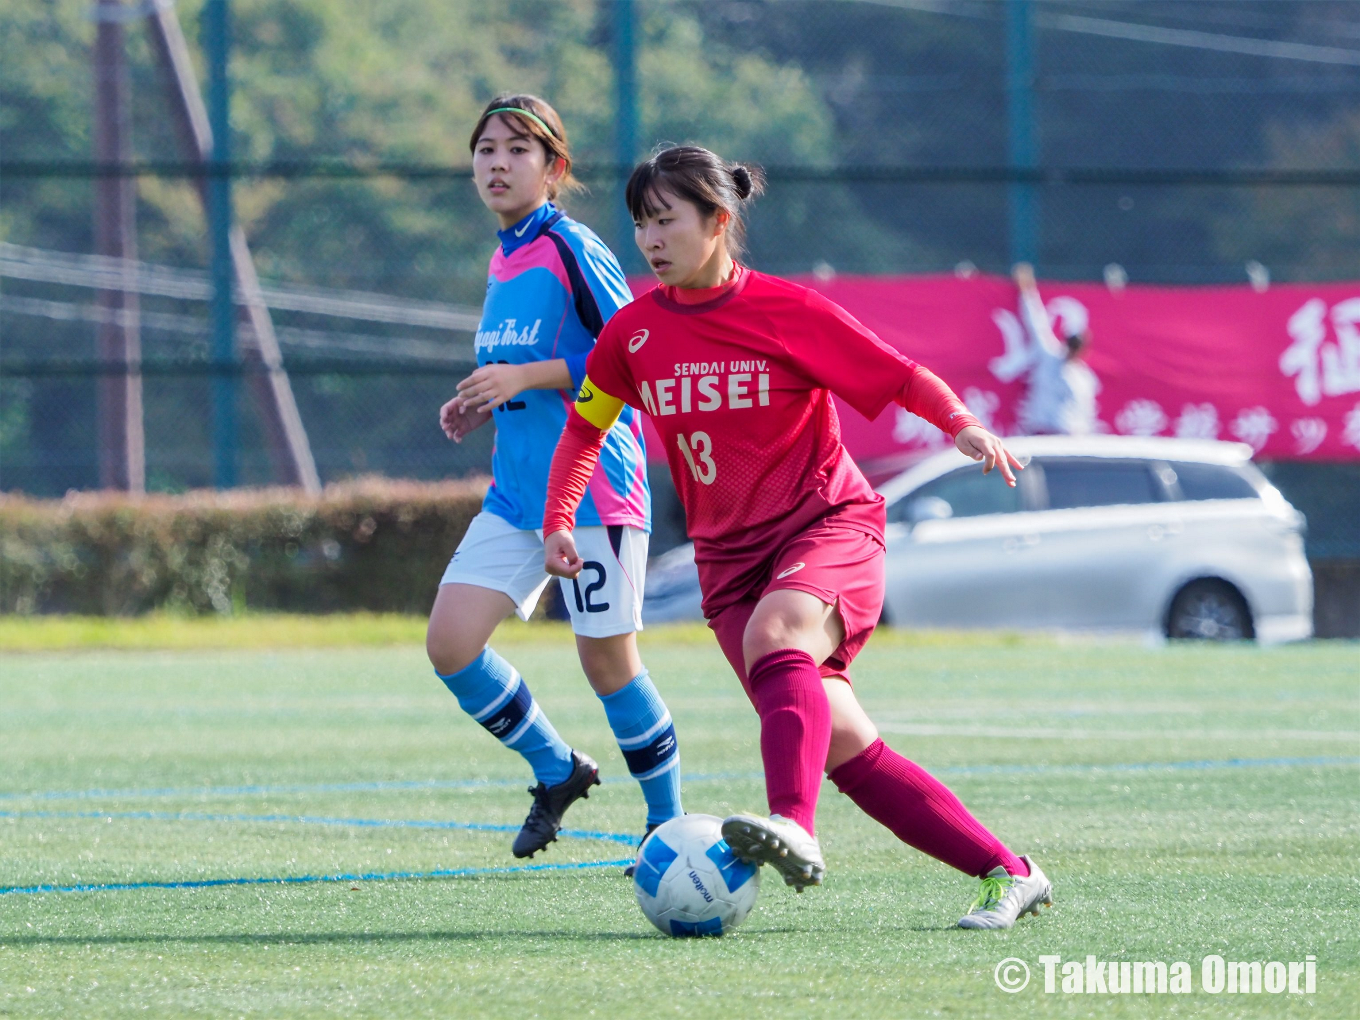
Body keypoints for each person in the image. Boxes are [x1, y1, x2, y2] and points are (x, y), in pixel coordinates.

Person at [541, 145, 1051, 929]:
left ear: (718, 222)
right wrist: (559, 521)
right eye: (640, 222)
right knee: (848, 750)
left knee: (780, 637)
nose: (649, 238)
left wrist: (964, 425)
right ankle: (1010, 873)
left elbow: (902, 375)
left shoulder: (788, 311)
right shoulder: (633, 336)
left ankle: (794, 826)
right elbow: (584, 431)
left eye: (666, 220)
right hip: (729, 564)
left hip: (828, 527)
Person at [427, 95, 682, 862]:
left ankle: (666, 821)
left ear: (554, 168)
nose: (498, 164)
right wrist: (485, 399)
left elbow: (637, 352)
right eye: (485, 150)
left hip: (595, 486)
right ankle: (556, 768)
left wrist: (525, 376)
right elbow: (520, 375)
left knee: (607, 662)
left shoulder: (570, 244)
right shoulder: (504, 256)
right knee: (451, 645)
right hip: (517, 493)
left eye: (517, 150)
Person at [1013, 262, 1100, 435]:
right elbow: (1037, 324)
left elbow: (1087, 412)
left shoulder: (1084, 377)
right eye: (1071, 345)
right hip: (1041, 432)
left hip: (1069, 438)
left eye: (1077, 347)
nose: (1073, 350)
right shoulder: (1049, 356)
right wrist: (1027, 291)